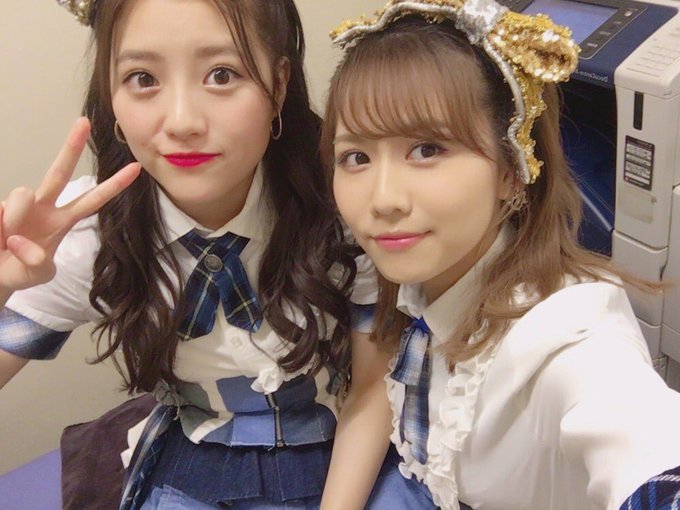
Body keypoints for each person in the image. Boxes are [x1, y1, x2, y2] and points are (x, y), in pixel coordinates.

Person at [0, 0, 393, 508]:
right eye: (143, 78)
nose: (182, 121)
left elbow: (373, 387)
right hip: (194, 458)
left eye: (222, 74)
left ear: (278, 86)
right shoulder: (92, 233)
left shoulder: (343, 205)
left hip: (342, 451)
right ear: (111, 95)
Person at [321, 0, 680, 509]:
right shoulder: (422, 276)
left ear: (512, 170)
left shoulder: (566, 337)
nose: (382, 200)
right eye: (356, 157)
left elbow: (639, 435)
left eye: (427, 149)